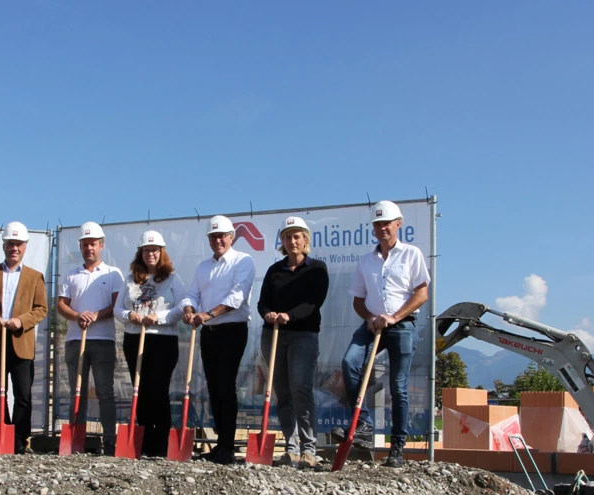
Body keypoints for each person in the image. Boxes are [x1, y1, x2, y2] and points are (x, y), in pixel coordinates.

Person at [341, 200, 430, 467]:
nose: (382, 228)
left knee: (398, 386)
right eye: (377, 224)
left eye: (386, 223)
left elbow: (422, 293)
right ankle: (364, 424)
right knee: (350, 363)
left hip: (402, 325)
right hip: (372, 326)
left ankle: (397, 447)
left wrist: (394, 317)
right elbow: (358, 300)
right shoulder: (366, 261)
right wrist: (370, 319)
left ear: (398, 224)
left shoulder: (412, 254)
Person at [256, 215, 329, 470]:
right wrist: (267, 313)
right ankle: (290, 447)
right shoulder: (274, 271)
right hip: (273, 334)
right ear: (282, 242)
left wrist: (290, 315)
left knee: (301, 390)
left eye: (296, 236)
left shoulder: (317, 269)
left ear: (305, 240)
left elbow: (314, 302)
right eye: (287, 237)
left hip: (303, 335)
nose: (292, 241)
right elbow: (262, 301)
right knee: (282, 393)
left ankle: (309, 449)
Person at [181, 215, 255, 464]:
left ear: (231, 237)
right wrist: (189, 309)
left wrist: (208, 313)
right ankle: (221, 444)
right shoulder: (203, 267)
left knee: (225, 386)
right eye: (213, 237)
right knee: (214, 389)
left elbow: (237, 298)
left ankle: (227, 446)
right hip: (209, 332)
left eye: (222, 236)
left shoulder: (243, 261)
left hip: (232, 330)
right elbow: (191, 293)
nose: (218, 240)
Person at [0, 222, 49, 453]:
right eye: (10, 244)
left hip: (21, 342)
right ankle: (2, 436)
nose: (14, 248)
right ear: (4, 245)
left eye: (18, 244)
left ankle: (20, 440)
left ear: (25, 247)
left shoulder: (35, 277)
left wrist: (21, 321)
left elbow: (41, 308)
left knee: (23, 394)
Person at [57, 221, 125, 455]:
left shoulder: (113, 274)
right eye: (85, 244)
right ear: (81, 246)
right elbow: (61, 305)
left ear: (101, 245)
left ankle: (110, 440)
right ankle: (76, 441)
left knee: (105, 391)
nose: (89, 248)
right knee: (78, 391)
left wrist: (95, 315)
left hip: (103, 340)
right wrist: (78, 316)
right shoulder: (71, 275)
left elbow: (117, 305)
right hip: (76, 341)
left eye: (93, 244)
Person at [120, 230, 186, 457]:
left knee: (158, 391)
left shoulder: (173, 279)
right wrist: (129, 315)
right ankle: (143, 443)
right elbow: (119, 308)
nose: (151, 254)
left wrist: (159, 317)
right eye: (146, 250)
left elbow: (182, 307)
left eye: (155, 250)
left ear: (161, 252)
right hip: (134, 339)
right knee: (141, 391)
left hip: (162, 341)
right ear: (140, 252)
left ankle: (162, 444)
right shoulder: (130, 279)